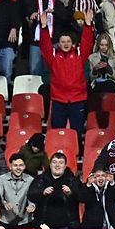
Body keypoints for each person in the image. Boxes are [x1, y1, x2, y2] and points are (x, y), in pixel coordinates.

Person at [39, 10, 94, 138]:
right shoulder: (53, 57)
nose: (65, 44)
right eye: (63, 42)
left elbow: (87, 43)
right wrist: (43, 28)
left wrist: (87, 25)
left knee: (77, 134)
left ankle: (77, 155)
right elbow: (45, 46)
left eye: (68, 42)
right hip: (59, 100)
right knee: (58, 133)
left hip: (77, 100)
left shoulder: (79, 56)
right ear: (59, 43)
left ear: (72, 43)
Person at [0, 154, 36, 227]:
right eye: (15, 165)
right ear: (10, 166)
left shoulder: (30, 179)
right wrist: (4, 203)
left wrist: (32, 206)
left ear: (24, 167)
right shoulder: (2, 179)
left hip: (25, 221)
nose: (18, 168)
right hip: (6, 221)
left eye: (21, 165)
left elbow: (33, 196)